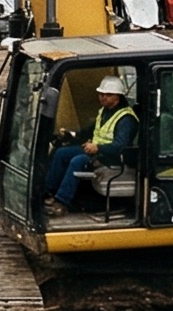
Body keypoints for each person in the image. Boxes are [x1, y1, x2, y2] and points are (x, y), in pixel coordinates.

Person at [42, 75, 137, 211]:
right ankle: (48, 192)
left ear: (118, 96)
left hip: (111, 157)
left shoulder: (126, 119)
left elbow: (120, 146)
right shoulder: (105, 111)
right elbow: (90, 132)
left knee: (78, 161)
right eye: (101, 94)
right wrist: (72, 135)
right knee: (61, 153)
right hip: (96, 151)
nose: (103, 97)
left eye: (108, 95)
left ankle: (62, 201)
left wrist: (98, 148)